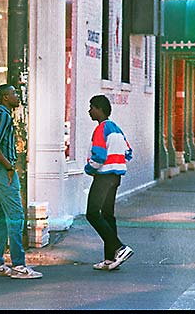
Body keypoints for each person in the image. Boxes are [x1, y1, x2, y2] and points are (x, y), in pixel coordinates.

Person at [0, 84, 42, 279]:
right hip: (2, 169)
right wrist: (9, 167)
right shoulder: (3, 116)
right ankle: (18, 265)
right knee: (16, 214)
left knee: (0, 216)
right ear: (5, 98)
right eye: (14, 94)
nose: (18, 96)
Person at [84, 94, 134, 271]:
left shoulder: (101, 129)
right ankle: (110, 259)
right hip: (115, 177)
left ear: (99, 109)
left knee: (91, 214)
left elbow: (98, 156)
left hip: (103, 177)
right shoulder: (117, 129)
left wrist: (89, 169)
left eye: (91, 107)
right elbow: (128, 152)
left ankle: (120, 248)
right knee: (107, 215)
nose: (89, 111)